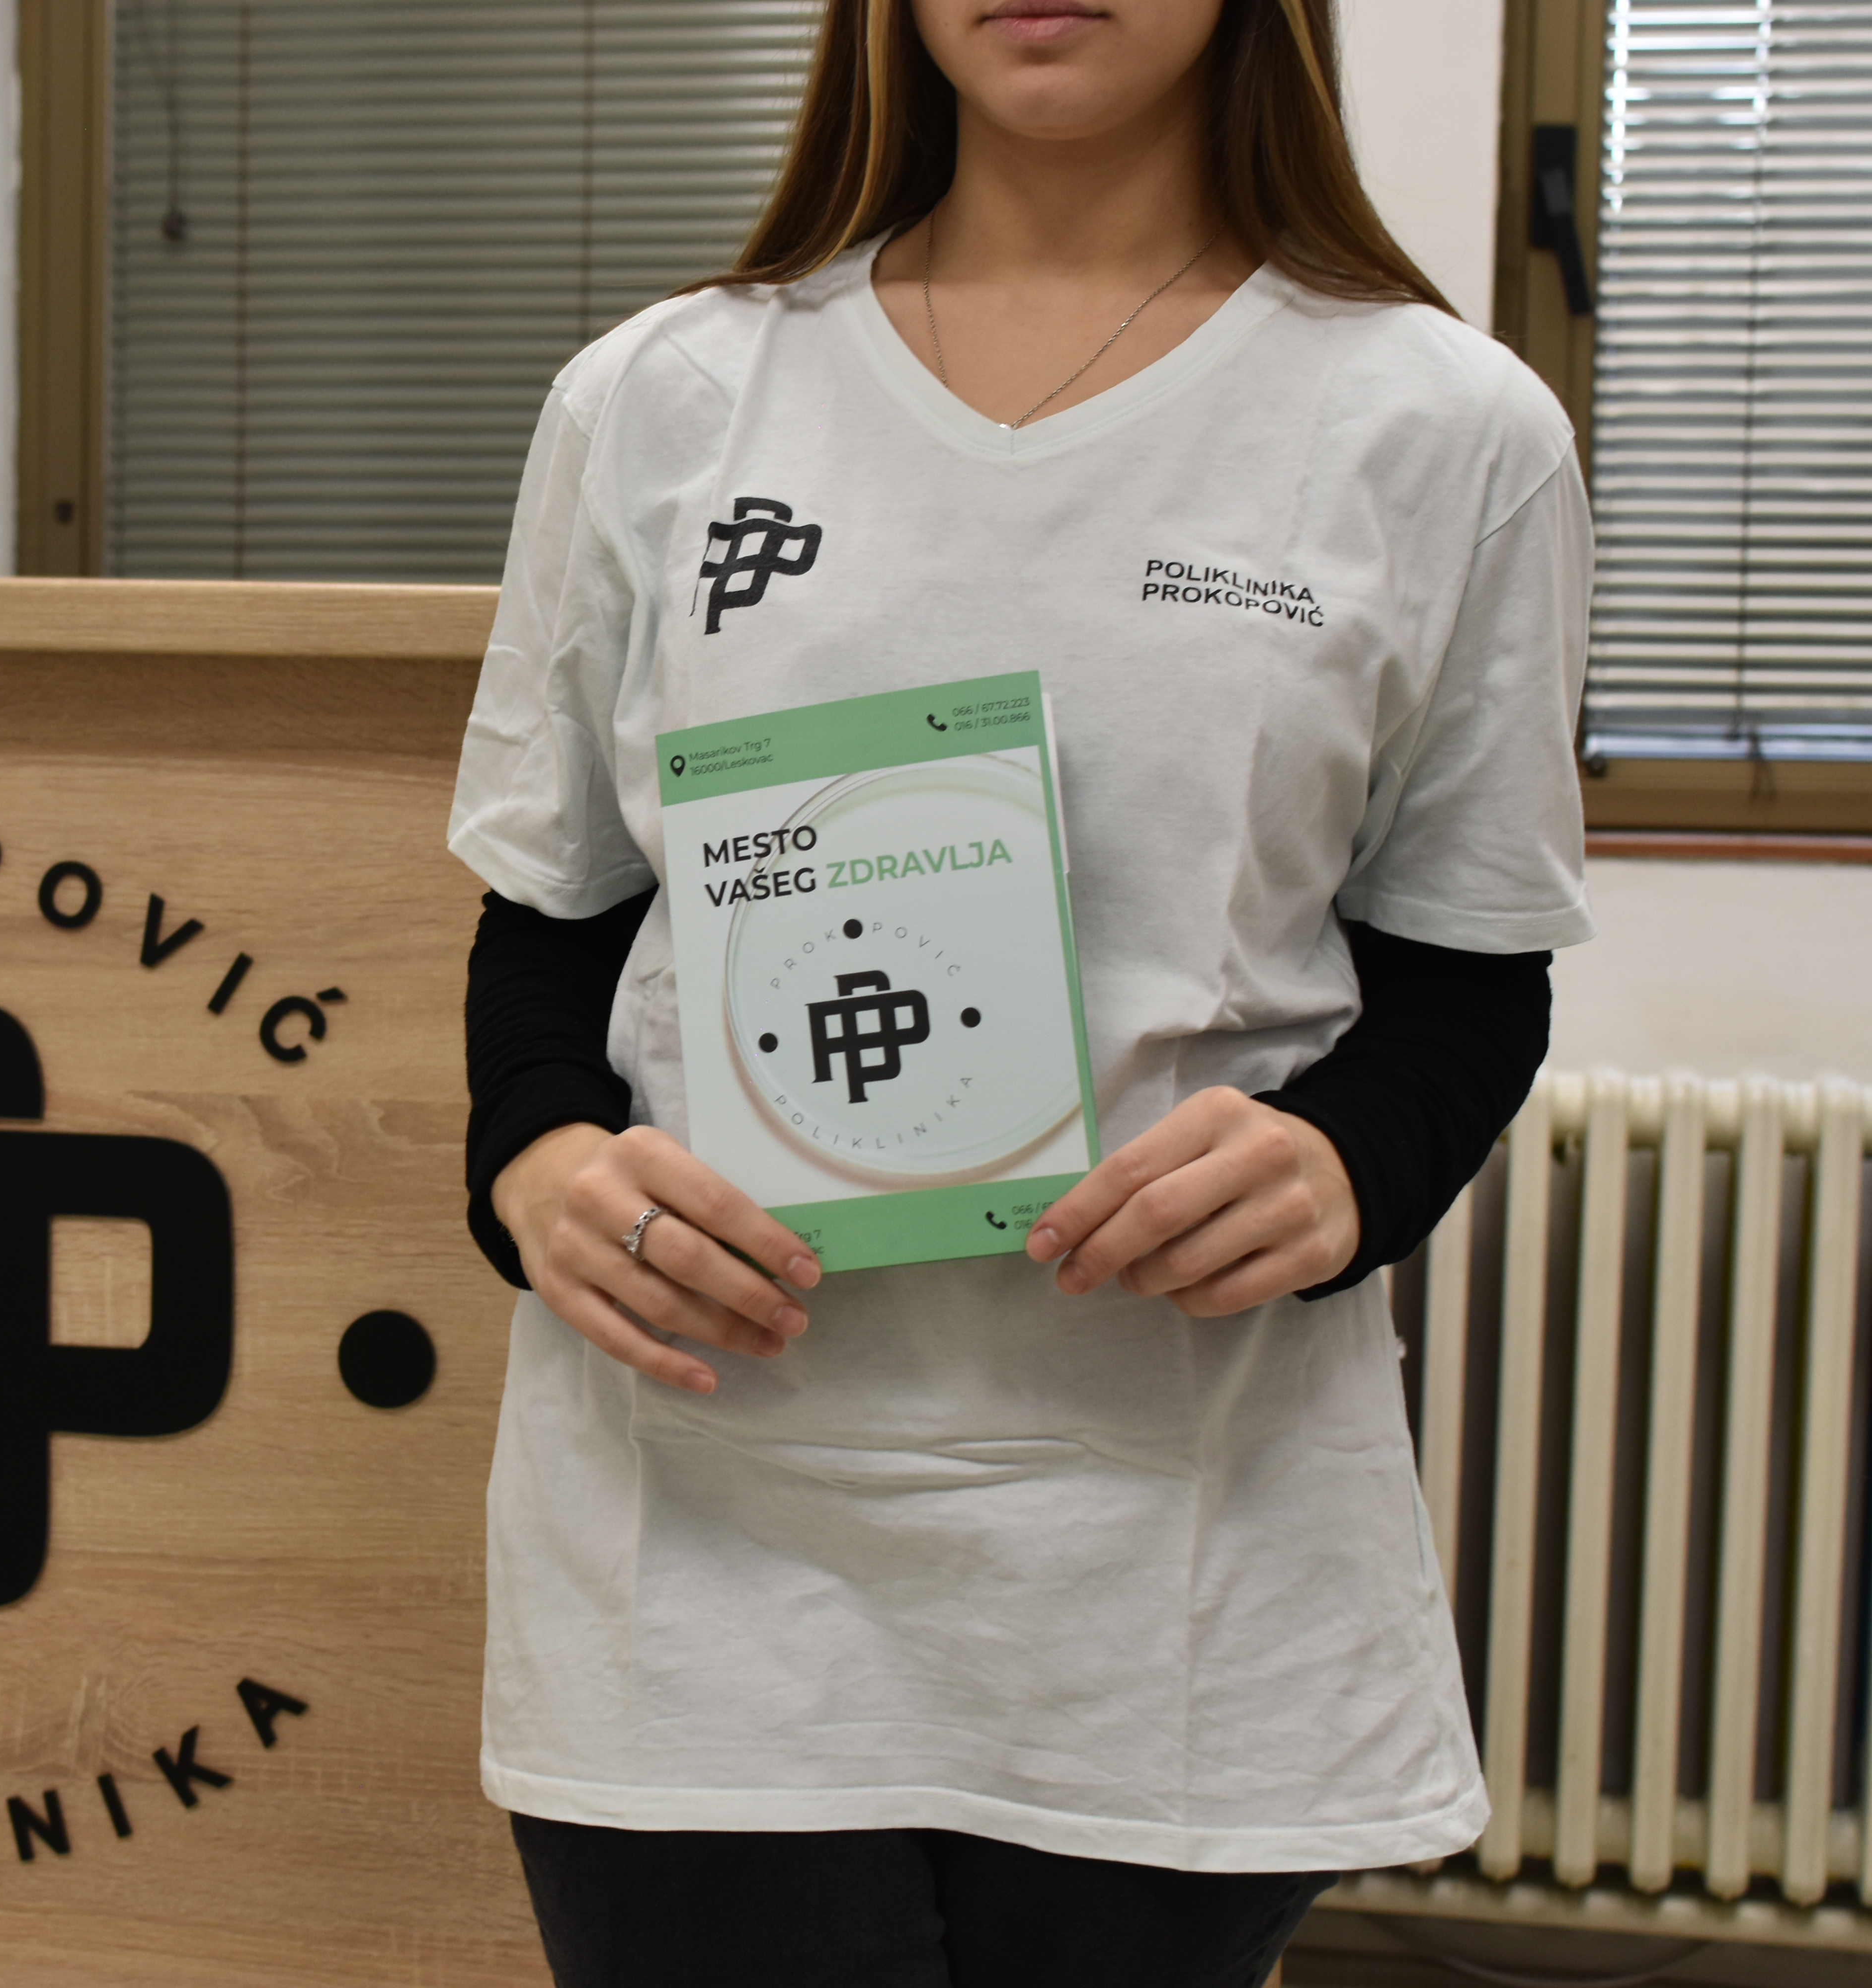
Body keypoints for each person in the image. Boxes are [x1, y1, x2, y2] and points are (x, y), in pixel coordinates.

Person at [446, 2, 1589, 1983]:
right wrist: (536, 1161)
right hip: (698, 1555)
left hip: (1176, 1564)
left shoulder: (1444, 429)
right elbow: (556, 914)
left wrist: (1350, 1165)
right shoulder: (662, 400)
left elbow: (1470, 970)